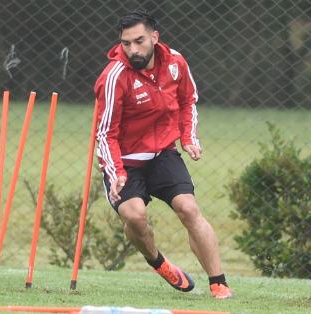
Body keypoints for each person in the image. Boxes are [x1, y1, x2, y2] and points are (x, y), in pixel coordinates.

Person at [94, 9, 233, 299]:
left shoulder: (176, 63)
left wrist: (188, 137)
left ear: (155, 38)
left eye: (140, 41)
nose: (133, 49)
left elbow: (187, 101)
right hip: (125, 161)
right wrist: (117, 171)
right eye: (126, 43)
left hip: (162, 154)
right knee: (135, 217)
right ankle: (158, 262)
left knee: (189, 209)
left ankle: (219, 284)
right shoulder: (114, 77)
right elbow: (105, 133)